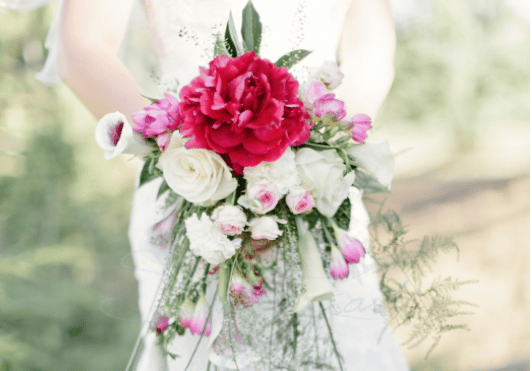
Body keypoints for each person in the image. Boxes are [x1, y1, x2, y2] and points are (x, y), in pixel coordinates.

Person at [5, 0, 408, 369]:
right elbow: (83, 45)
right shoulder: (186, 172)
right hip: (188, 190)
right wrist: (179, 155)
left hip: (318, 192)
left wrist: (315, 156)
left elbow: (370, 47)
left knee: (341, 343)